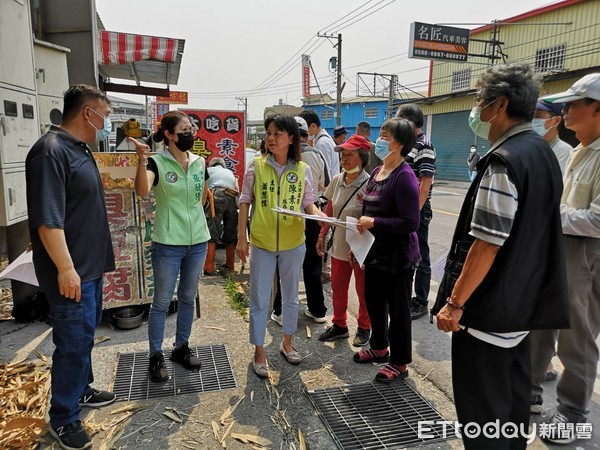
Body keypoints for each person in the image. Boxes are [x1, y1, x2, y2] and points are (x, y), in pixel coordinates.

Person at [432, 63, 569, 450]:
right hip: (522, 308)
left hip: (488, 313)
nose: (476, 110)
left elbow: (487, 243)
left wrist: (455, 304)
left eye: (480, 101)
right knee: (511, 408)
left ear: (500, 105)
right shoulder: (542, 151)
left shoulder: (503, 162)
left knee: (482, 415)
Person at [26, 84, 117, 450]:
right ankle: (63, 417)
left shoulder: (79, 149)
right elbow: (48, 221)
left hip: (88, 268)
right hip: (71, 272)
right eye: (105, 117)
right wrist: (65, 268)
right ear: (87, 113)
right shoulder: (50, 152)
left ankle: (80, 390)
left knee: (85, 337)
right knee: (73, 342)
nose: (107, 124)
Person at [529, 73, 600, 445]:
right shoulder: (580, 150)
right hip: (562, 249)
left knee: (577, 337)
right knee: (542, 322)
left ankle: (573, 413)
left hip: (588, 257)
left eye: (574, 104)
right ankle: (532, 392)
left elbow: (597, 219)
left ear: (597, 108)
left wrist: (545, 213)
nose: (565, 109)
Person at [237, 114, 325, 378]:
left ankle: (287, 342)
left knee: (290, 297)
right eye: (268, 133)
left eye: (277, 133)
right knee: (259, 298)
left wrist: (321, 217)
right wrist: (242, 238)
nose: (271, 138)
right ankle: (259, 350)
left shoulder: (302, 169)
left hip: (293, 243)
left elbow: (308, 204)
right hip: (262, 243)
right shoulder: (257, 166)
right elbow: (244, 201)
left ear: (291, 138)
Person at [132, 110, 210, 383]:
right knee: (162, 301)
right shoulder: (156, 163)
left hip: (198, 241)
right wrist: (141, 162)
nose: (190, 134)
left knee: (188, 298)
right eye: (184, 130)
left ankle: (181, 348)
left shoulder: (200, 162)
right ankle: (155, 355)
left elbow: (201, 198)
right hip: (167, 243)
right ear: (168, 135)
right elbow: (143, 190)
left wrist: (193, 220)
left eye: (191, 129)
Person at [353, 118, 420, 383]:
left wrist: (375, 223)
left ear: (399, 143)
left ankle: (399, 362)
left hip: (398, 257)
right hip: (374, 251)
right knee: (375, 302)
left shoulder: (404, 177)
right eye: (379, 134)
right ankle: (379, 347)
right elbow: (368, 211)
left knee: (399, 310)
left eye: (384, 135)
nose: (378, 140)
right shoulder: (379, 170)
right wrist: (359, 245)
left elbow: (410, 222)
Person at [316, 134, 371, 347]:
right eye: (343, 155)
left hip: (360, 247)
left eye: (349, 155)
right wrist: (323, 234)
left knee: (363, 290)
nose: (344, 159)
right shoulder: (338, 179)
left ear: (362, 157)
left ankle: (365, 328)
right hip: (339, 244)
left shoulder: (370, 183)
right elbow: (330, 208)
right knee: (338, 288)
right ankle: (339, 325)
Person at [271, 117, 327, 324]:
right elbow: (324, 185)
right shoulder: (317, 154)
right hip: (312, 215)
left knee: (285, 266)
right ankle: (318, 310)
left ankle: (280, 310)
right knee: (312, 264)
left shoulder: (281, 155)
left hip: (286, 216)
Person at [395, 104, 436, 320]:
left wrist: (415, 212)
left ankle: (421, 301)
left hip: (417, 209)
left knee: (421, 256)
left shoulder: (424, 145)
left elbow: (425, 182)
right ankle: (410, 297)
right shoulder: (410, 143)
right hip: (407, 209)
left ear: (410, 122)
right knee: (409, 253)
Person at [204, 157, 239, 274]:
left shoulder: (208, 170)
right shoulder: (230, 173)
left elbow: (203, 189)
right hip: (232, 196)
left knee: (212, 229)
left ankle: (209, 265)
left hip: (216, 194)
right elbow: (237, 189)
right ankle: (230, 264)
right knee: (231, 230)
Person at [532, 99, 572, 173]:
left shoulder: (564, 151)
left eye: (537, 115)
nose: (532, 120)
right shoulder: (529, 146)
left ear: (556, 120)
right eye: (531, 115)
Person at [299, 110, 339, 181]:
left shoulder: (322, 144)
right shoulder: (323, 140)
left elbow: (325, 172)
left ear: (313, 126)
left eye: (305, 129)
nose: (305, 133)